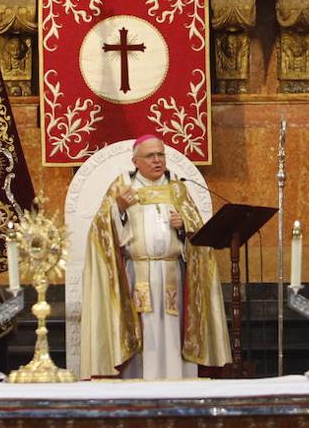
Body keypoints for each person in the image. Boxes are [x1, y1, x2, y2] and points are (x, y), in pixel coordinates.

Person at [80, 134, 231, 379]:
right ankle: (137, 389)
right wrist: (118, 209)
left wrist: (184, 226)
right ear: (135, 161)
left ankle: (176, 383)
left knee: (172, 332)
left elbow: (198, 232)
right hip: (136, 273)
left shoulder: (177, 187)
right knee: (143, 333)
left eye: (161, 154)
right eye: (150, 156)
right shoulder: (122, 186)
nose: (157, 160)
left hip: (173, 274)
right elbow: (99, 231)